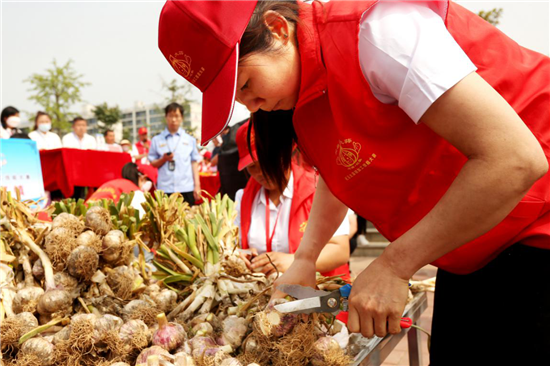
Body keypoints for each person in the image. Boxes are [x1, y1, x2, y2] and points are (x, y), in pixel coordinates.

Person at [158, 1, 550, 364]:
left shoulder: (380, 34)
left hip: (536, 224)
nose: (252, 106)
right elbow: (342, 170)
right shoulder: (305, 101)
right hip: (472, 245)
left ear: (277, 28)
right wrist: (306, 259)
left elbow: (515, 160)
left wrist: (395, 266)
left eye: (245, 86)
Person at [234, 122, 350, 279]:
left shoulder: (319, 190)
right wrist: (240, 255)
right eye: (252, 166)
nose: (261, 172)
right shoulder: (243, 198)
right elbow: (235, 245)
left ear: (286, 153)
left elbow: (340, 250)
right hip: (265, 292)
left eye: (266, 162)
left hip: (318, 292)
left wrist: (294, 261)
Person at [148, 102, 201, 205]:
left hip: (186, 188)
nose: (173, 119)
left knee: (188, 218)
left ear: (182, 118)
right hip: (165, 189)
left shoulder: (190, 139)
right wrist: (163, 159)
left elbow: (194, 163)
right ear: (166, 117)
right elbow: (153, 163)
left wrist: (197, 185)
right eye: (170, 116)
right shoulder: (157, 140)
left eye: (176, 116)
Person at [87, 162, 156, 218]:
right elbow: (140, 218)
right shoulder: (135, 192)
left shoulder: (113, 182)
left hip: (83, 215)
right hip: (96, 219)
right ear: (143, 178)